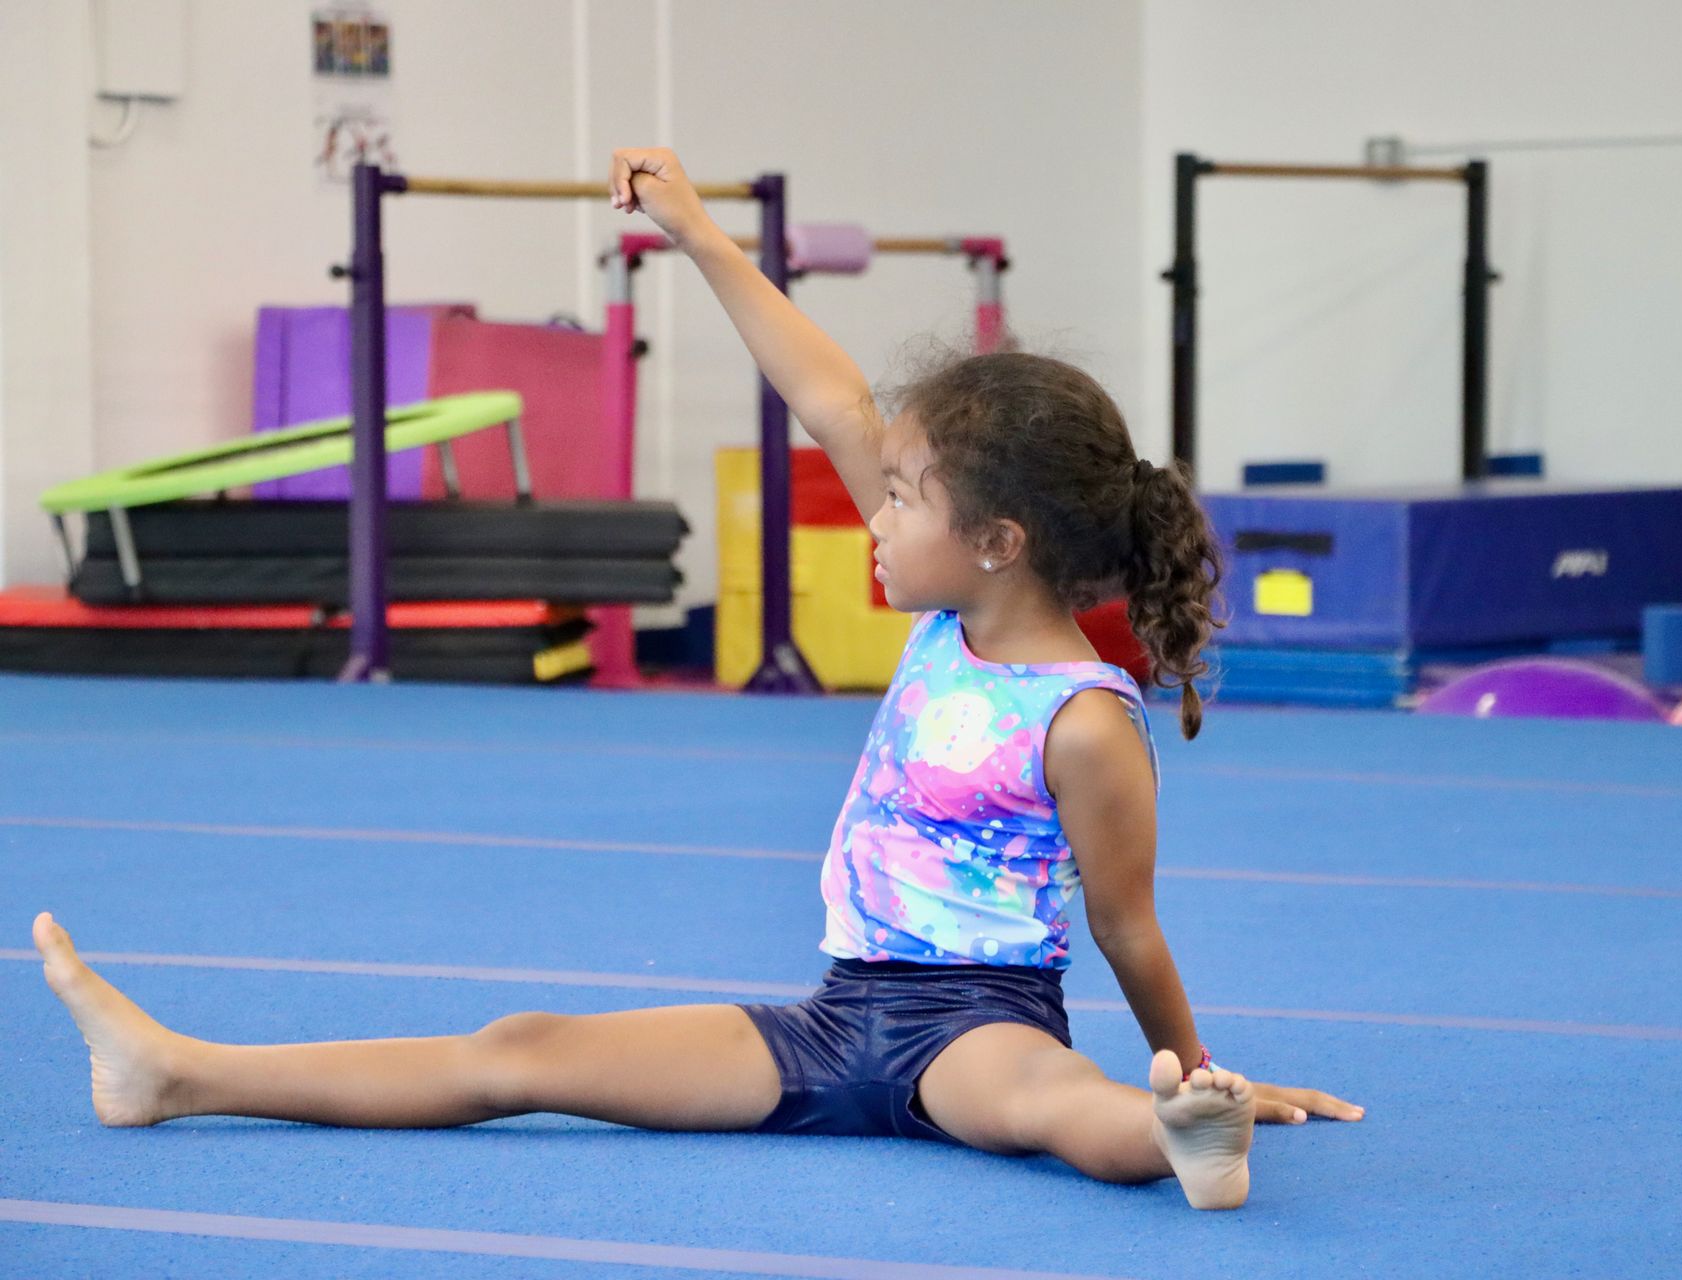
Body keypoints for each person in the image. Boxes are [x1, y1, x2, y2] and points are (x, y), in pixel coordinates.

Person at [30, 147, 1361, 1214]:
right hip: (837, 1017)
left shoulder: (1083, 723)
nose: (877, 519)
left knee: (1066, 1116)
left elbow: (1126, 927)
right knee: (524, 1052)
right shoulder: (953, 610)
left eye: (903, 501)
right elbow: (832, 395)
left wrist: (1188, 1073)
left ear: (999, 541)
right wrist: (702, 235)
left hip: (981, 1026)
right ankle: (178, 1072)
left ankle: (1187, 1135)